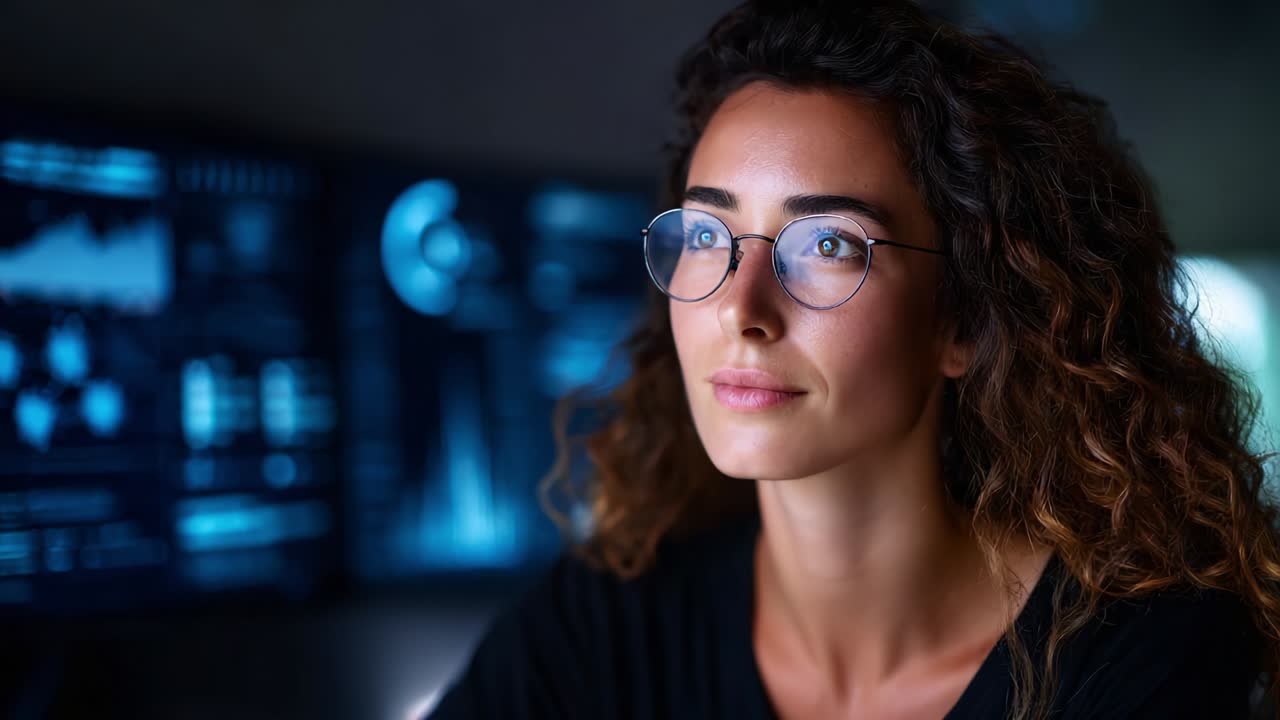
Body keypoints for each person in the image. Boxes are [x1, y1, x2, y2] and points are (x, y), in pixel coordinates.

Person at [428, 1, 1280, 717]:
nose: (740, 307)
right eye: (706, 233)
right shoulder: (601, 628)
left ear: (967, 321)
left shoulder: (1139, 660)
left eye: (829, 242)